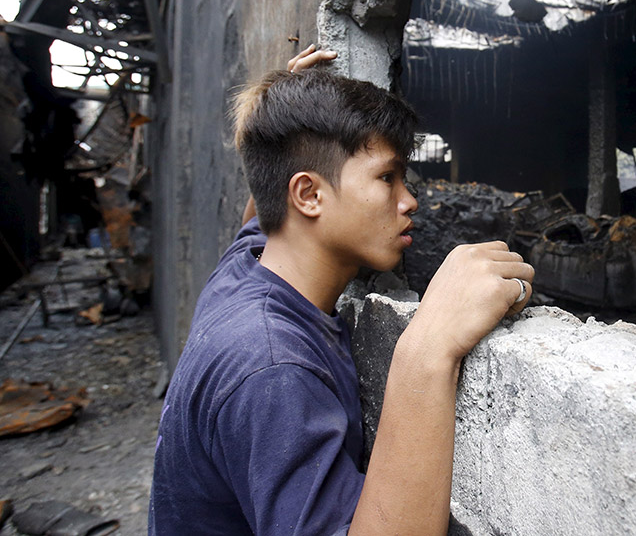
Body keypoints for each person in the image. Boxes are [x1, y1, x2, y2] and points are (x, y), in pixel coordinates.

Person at [149, 44, 534, 535]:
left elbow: (262, 212)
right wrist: (428, 345)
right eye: (388, 177)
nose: (410, 200)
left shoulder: (244, 271)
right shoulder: (272, 368)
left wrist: (285, 111)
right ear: (308, 195)